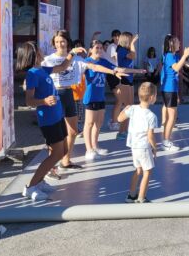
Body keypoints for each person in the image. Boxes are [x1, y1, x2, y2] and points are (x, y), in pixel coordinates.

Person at [16, 41, 115, 200]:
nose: (42, 52)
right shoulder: (32, 74)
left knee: (61, 151)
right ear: (32, 55)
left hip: (57, 116)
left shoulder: (43, 69)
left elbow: (62, 67)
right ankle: (31, 186)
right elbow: (29, 101)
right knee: (55, 154)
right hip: (48, 120)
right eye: (39, 50)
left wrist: (72, 53)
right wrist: (43, 101)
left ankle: (39, 182)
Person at [82, 40, 141, 160]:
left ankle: (95, 146)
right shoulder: (87, 62)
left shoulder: (104, 61)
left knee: (98, 124)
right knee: (89, 123)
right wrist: (113, 71)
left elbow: (119, 69)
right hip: (90, 97)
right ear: (91, 50)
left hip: (100, 97)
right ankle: (88, 150)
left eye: (100, 48)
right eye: (96, 48)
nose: (99, 50)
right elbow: (97, 68)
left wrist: (137, 71)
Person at [41, 30, 85, 175]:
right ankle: (51, 168)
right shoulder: (48, 59)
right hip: (55, 95)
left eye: (63, 41)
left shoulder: (75, 58)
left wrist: (114, 70)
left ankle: (66, 161)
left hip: (69, 94)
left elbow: (93, 66)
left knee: (72, 131)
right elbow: (42, 75)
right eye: (57, 41)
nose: (60, 44)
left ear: (67, 42)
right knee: (56, 134)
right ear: (54, 43)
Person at [160, 34, 189, 151]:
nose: (179, 42)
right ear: (171, 44)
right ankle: (166, 142)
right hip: (169, 89)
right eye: (177, 41)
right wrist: (185, 55)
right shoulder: (170, 55)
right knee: (171, 117)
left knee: (173, 116)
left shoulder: (174, 55)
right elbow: (176, 68)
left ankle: (166, 138)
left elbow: (186, 64)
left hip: (172, 89)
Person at [118, 82, 158, 204]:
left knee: (138, 170)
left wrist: (124, 109)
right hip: (144, 147)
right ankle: (141, 197)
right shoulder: (151, 116)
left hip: (134, 146)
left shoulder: (133, 109)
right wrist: (155, 147)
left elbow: (119, 119)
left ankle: (131, 195)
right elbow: (150, 135)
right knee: (147, 172)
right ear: (151, 98)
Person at [115, 32, 141, 140]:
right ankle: (121, 131)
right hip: (124, 80)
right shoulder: (121, 50)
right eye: (130, 39)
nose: (132, 41)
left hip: (129, 80)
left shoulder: (126, 50)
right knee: (127, 107)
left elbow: (131, 58)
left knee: (130, 106)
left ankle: (125, 130)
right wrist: (133, 44)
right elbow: (133, 56)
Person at [106, 30, 122, 131]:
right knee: (120, 99)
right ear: (112, 37)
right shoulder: (112, 46)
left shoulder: (119, 47)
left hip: (119, 74)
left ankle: (115, 120)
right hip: (113, 74)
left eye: (118, 36)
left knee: (120, 100)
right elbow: (116, 58)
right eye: (115, 36)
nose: (117, 38)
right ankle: (113, 121)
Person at [71, 40, 87, 136]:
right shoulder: (71, 60)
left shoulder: (84, 60)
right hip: (73, 91)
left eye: (81, 47)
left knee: (81, 111)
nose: (80, 50)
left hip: (82, 91)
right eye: (77, 47)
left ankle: (80, 129)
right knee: (75, 112)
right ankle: (76, 129)